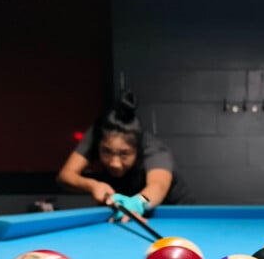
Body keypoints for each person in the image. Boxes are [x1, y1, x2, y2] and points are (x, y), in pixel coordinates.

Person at [57, 90, 191, 219]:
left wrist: (138, 203)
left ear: (137, 149)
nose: (114, 163)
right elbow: (65, 176)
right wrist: (93, 185)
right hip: (126, 211)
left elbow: (158, 185)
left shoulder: (153, 148)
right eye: (107, 151)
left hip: (169, 210)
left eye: (124, 154)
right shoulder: (97, 135)